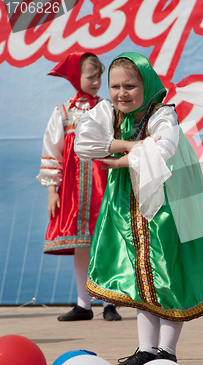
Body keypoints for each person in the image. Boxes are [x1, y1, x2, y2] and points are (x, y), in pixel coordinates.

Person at [74, 52, 203, 364]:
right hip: (127, 208)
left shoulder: (162, 115)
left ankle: (167, 351)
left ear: (146, 84)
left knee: (170, 274)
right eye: (115, 86)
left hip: (168, 205)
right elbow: (85, 142)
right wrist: (132, 146)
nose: (121, 93)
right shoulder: (108, 111)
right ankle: (146, 349)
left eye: (130, 85)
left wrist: (118, 157)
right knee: (138, 275)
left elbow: (165, 148)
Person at [36, 52, 121, 322]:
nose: (96, 81)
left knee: (107, 243)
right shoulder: (63, 112)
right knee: (82, 246)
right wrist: (52, 189)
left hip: (104, 185)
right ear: (76, 77)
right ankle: (84, 304)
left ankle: (109, 302)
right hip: (75, 192)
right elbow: (53, 150)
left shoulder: (108, 108)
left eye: (99, 76)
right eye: (90, 76)